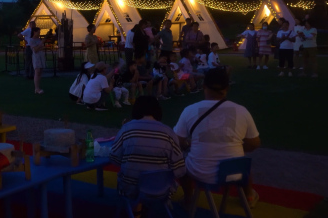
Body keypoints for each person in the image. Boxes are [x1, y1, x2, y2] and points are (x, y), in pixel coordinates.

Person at [174, 69, 260, 209]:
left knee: (180, 164)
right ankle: (249, 196)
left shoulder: (190, 110)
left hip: (199, 171)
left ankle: (189, 198)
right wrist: (235, 146)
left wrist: (187, 144)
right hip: (233, 173)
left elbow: (177, 140)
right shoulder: (241, 111)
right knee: (242, 162)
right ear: (227, 88)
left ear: (204, 86)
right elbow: (254, 143)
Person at [110, 97, 185, 204]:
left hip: (130, 190)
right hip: (160, 191)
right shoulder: (169, 133)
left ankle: (136, 211)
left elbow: (114, 159)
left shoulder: (127, 128)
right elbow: (180, 170)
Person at [28, 27, 46, 94]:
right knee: (37, 71)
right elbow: (35, 50)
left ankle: (38, 86)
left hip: (41, 55)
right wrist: (40, 45)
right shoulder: (31, 40)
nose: (39, 33)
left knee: (40, 71)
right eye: (38, 32)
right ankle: (36, 88)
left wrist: (40, 46)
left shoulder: (38, 39)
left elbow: (41, 48)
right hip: (36, 57)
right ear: (34, 32)